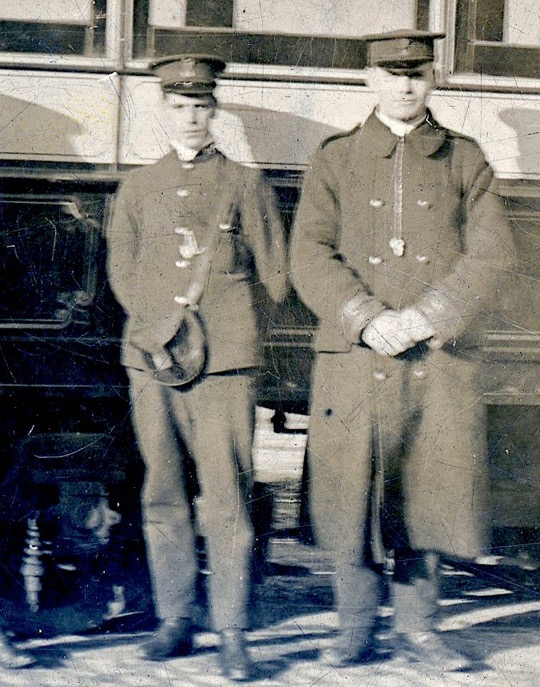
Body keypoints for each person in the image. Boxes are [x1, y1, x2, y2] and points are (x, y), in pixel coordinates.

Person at [290, 29, 516, 670]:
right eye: (392, 74)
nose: (405, 85)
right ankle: (354, 627)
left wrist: (427, 316)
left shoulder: (465, 159)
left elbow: (493, 253)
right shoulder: (334, 159)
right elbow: (308, 253)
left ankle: (420, 631)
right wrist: (364, 318)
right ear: (370, 80)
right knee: (352, 491)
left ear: (432, 81)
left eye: (416, 74)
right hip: (357, 356)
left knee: (427, 490)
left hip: (435, 358)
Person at [106, 54, 287, 681]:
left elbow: (275, 278)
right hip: (154, 361)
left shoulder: (246, 184)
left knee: (228, 497)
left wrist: (230, 337)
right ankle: (174, 621)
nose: (190, 117)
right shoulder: (136, 187)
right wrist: (161, 335)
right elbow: (123, 274)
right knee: (163, 492)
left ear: (215, 111)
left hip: (225, 366)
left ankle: (232, 631)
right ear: (163, 112)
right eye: (179, 107)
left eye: (201, 106)